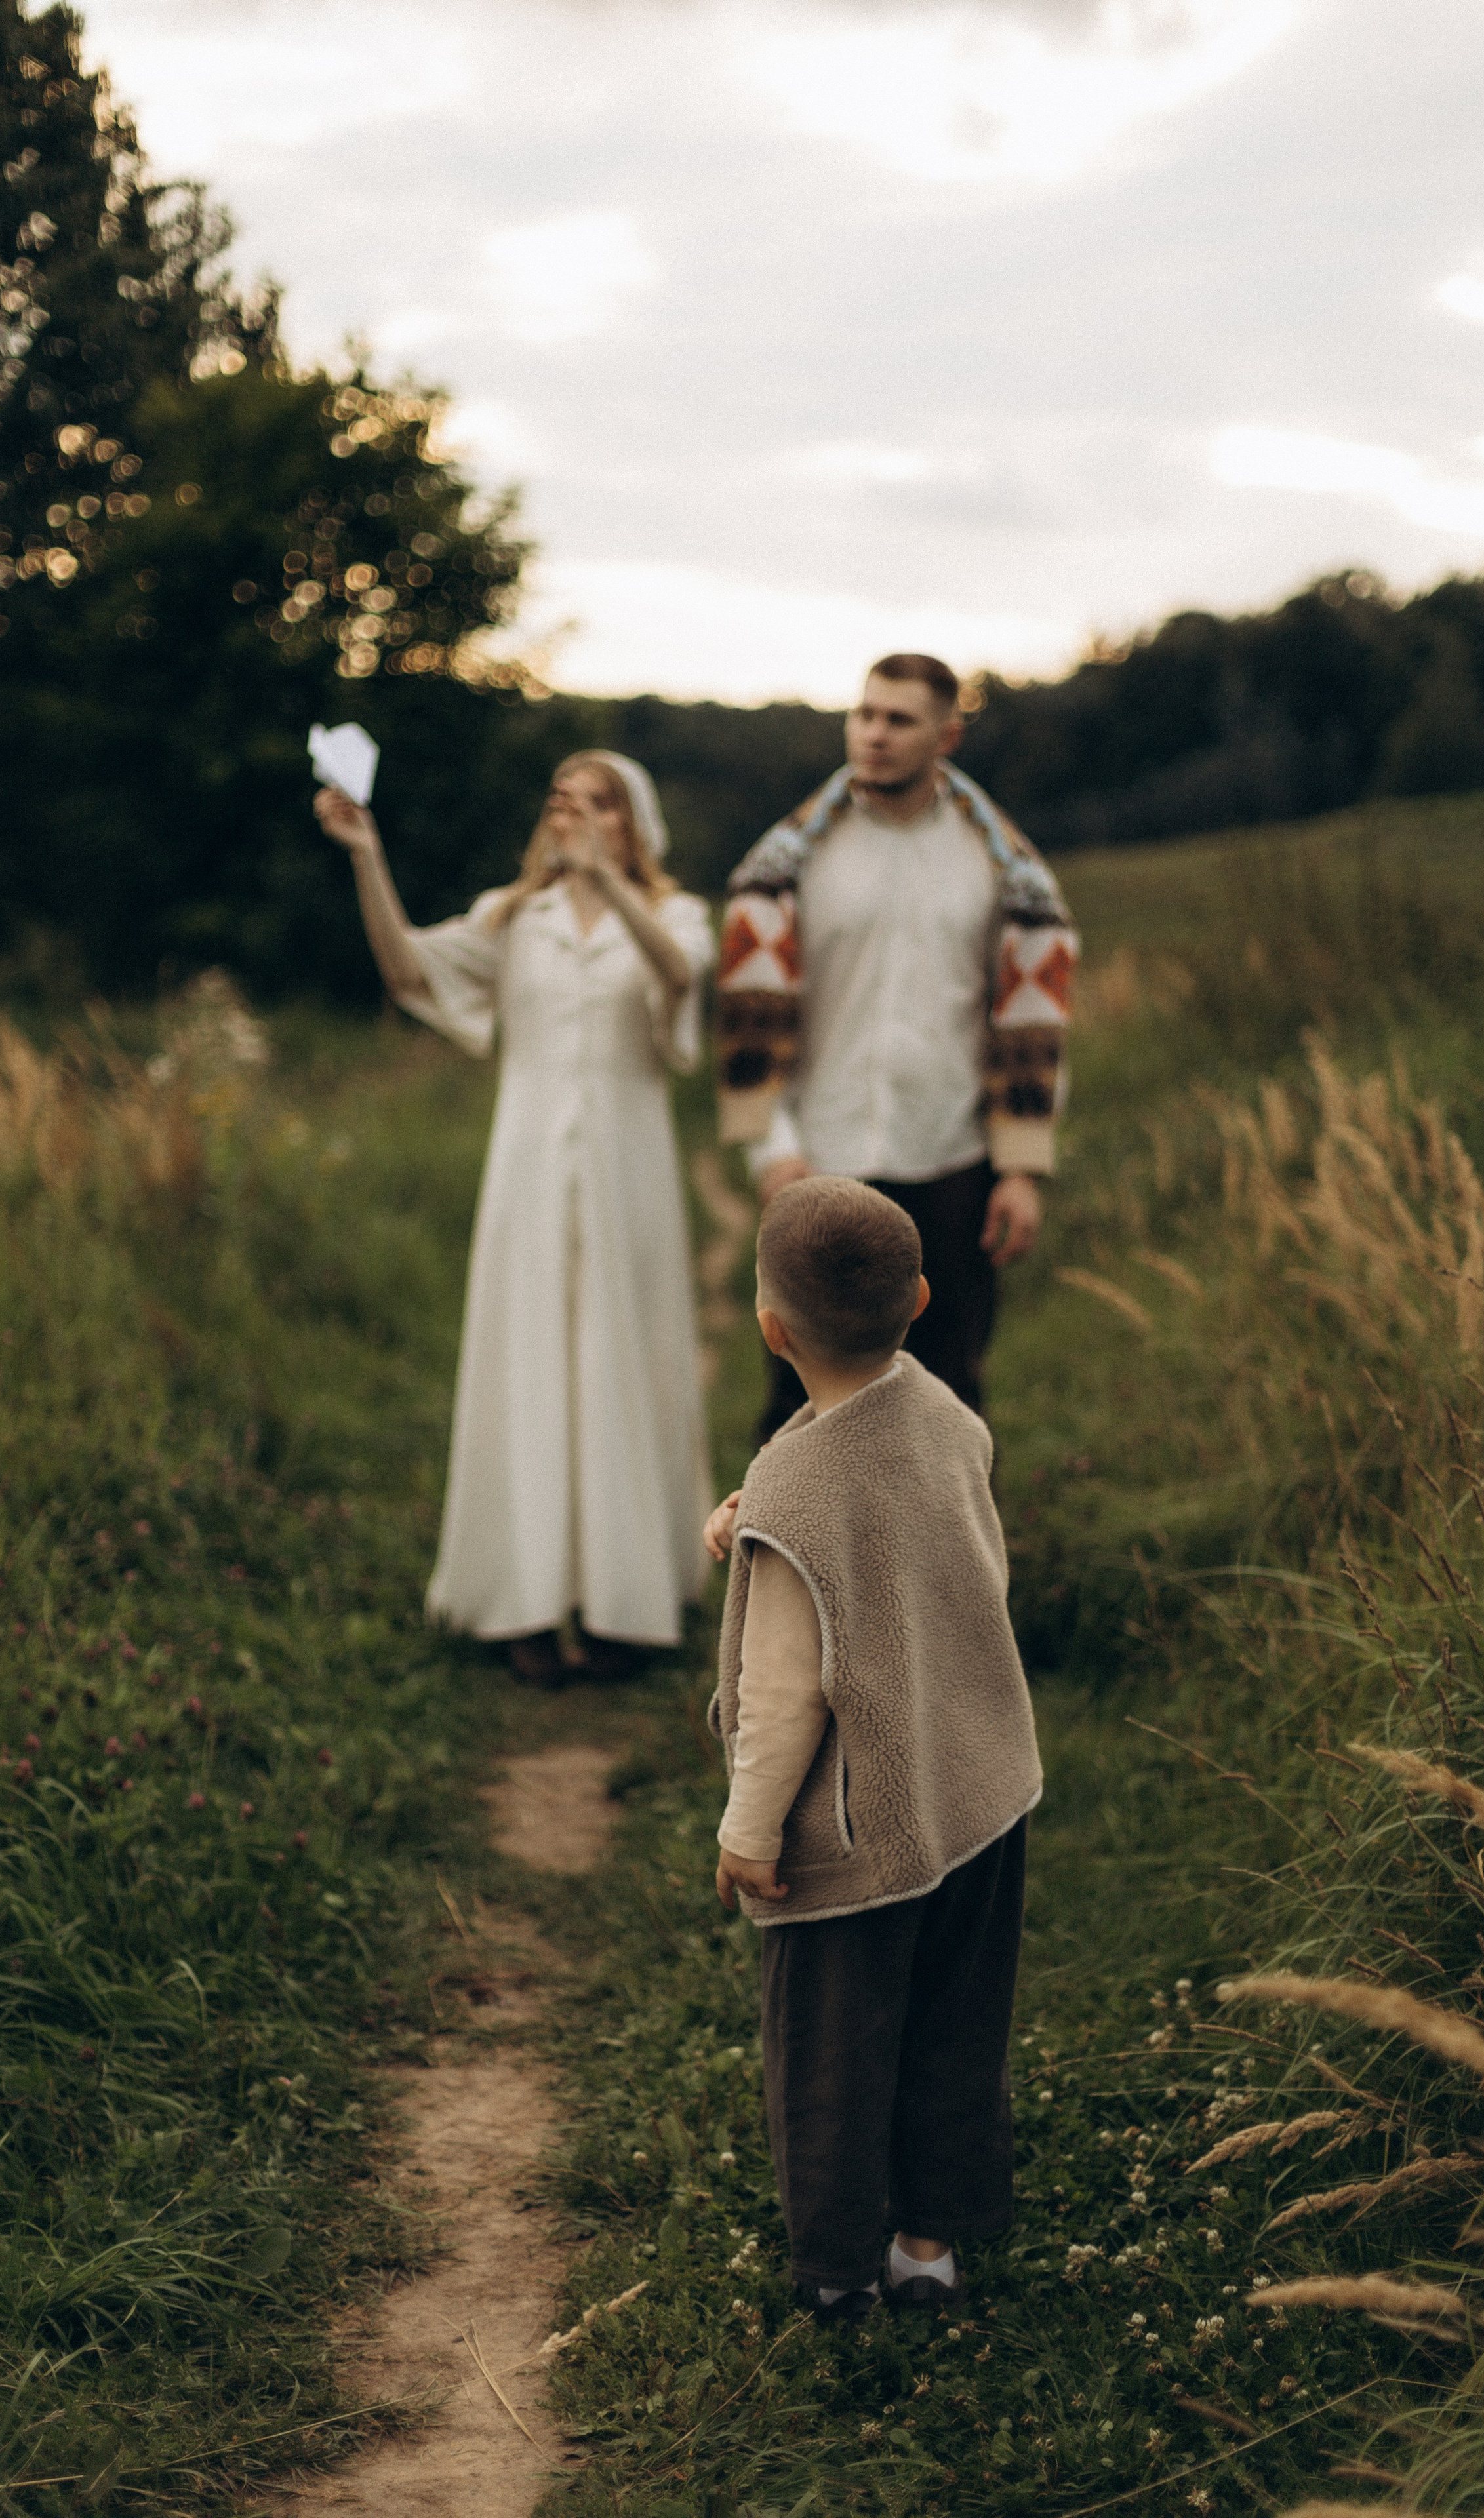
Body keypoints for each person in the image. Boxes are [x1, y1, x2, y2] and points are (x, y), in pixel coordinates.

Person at [702, 1175, 1041, 2320]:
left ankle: (843, 2274)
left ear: (770, 1328)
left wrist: (750, 1831)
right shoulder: (949, 1420)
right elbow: (886, 1526)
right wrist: (754, 1518)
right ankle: (929, 2251)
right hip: (979, 1790)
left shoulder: (795, 1491)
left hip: (865, 1836)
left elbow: (784, 1692)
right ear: (924, 1300)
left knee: (837, 2050)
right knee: (954, 2026)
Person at [316, 751, 714, 1687]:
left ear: (628, 824)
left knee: (623, 1352)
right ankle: (523, 1605)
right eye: (559, 801)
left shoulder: (674, 914)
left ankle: (628, 1605)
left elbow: (680, 980)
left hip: (629, 1167)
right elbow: (407, 967)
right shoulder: (511, 916)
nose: (568, 815)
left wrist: (606, 884)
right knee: (531, 1359)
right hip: (529, 1166)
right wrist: (366, 855)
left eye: (592, 803)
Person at [715, 654, 1079, 1437]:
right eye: (865, 714)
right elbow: (747, 1018)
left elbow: (1031, 1014)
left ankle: (948, 1563)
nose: (874, 735)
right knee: (800, 1404)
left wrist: (1019, 1168)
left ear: (946, 735)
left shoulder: (1000, 866)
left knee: (949, 1402)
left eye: (899, 720)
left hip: (950, 1158)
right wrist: (772, 1150)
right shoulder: (787, 864)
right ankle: (789, 1561)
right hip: (821, 1155)